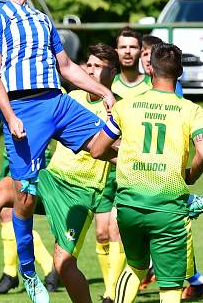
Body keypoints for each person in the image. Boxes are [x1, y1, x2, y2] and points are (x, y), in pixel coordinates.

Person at [0, 0, 116, 302]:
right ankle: (27, 271)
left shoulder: (41, 19)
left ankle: (173, 189)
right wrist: (9, 116)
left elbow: (66, 66)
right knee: (23, 195)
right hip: (23, 107)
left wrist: (102, 90)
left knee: (113, 147)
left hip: (57, 100)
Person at [90, 43, 203, 303]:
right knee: (169, 284)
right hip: (168, 208)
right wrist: (190, 175)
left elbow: (97, 150)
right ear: (179, 73)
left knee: (135, 266)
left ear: (151, 70)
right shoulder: (191, 110)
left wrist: (123, 158)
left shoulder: (126, 107)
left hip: (129, 206)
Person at [36, 43, 119, 303]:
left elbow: (120, 152)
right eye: (89, 65)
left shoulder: (118, 109)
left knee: (64, 262)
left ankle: (110, 292)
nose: (91, 71)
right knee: (5, 194)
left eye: (98, 67)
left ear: (113, 73)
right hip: (53, 180)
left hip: (81, 192)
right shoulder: (71, 99)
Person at [0, 56, 60, 294]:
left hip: (29, 158)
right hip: (11, 157)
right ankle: (12, 272)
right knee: (6, 215)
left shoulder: (16, 88)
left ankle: (40, 268)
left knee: (18, 213)